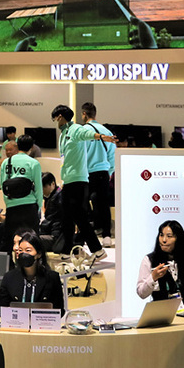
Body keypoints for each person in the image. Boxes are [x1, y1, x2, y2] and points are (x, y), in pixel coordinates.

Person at [50, 105, 115, 260]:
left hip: (79, 181)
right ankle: (67, 250)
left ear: (60, 117)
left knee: (80, 217)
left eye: (55, 119)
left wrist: (101, 137)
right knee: (67, 217)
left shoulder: (75, 129)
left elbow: (87, 134)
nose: (55, 122)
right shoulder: (63, 134)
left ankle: (98, 250)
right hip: (68, 180)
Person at [135, 219, 184, 307]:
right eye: (161, 235)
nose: (164, 240)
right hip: (159, 311)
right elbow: (141, 293)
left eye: (169, 236)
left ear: (178, 238)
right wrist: (153, 277)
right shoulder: (149, 260)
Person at [0, 231, 64, 311]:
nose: (23, 254)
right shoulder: (9, 277)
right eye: (21, 250)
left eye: (28, 250)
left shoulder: (52, 278)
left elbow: (59, 310)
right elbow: (3, 310)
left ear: (39, 254)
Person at [79, 103, 116, 240]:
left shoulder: (82, 132)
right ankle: (106, 236)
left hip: (86, 173)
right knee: (104, 204)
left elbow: (79, 155)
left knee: (83, 204)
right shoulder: (107, 132)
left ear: (84, 114)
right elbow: (112, 155)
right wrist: (109, 172)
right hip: (102, 172)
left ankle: (86, 235)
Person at [0, 135, 42, 238]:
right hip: (29, 206)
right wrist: (38, 207)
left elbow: (2, 185)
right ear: (31, 147)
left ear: (17, 146)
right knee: (31, 240)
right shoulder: (34, 163)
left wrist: (8, 202)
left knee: (12, 239)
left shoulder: (6, 162)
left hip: (12, 207)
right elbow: (38, 188)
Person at [39, 172, 64, 252]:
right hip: (53, 234)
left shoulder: (57, 198)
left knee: (30, 240)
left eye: (44, 187)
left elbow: (50, 221)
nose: (42, 190)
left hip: (56, 237)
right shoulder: (53, 196)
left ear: (53, 184)